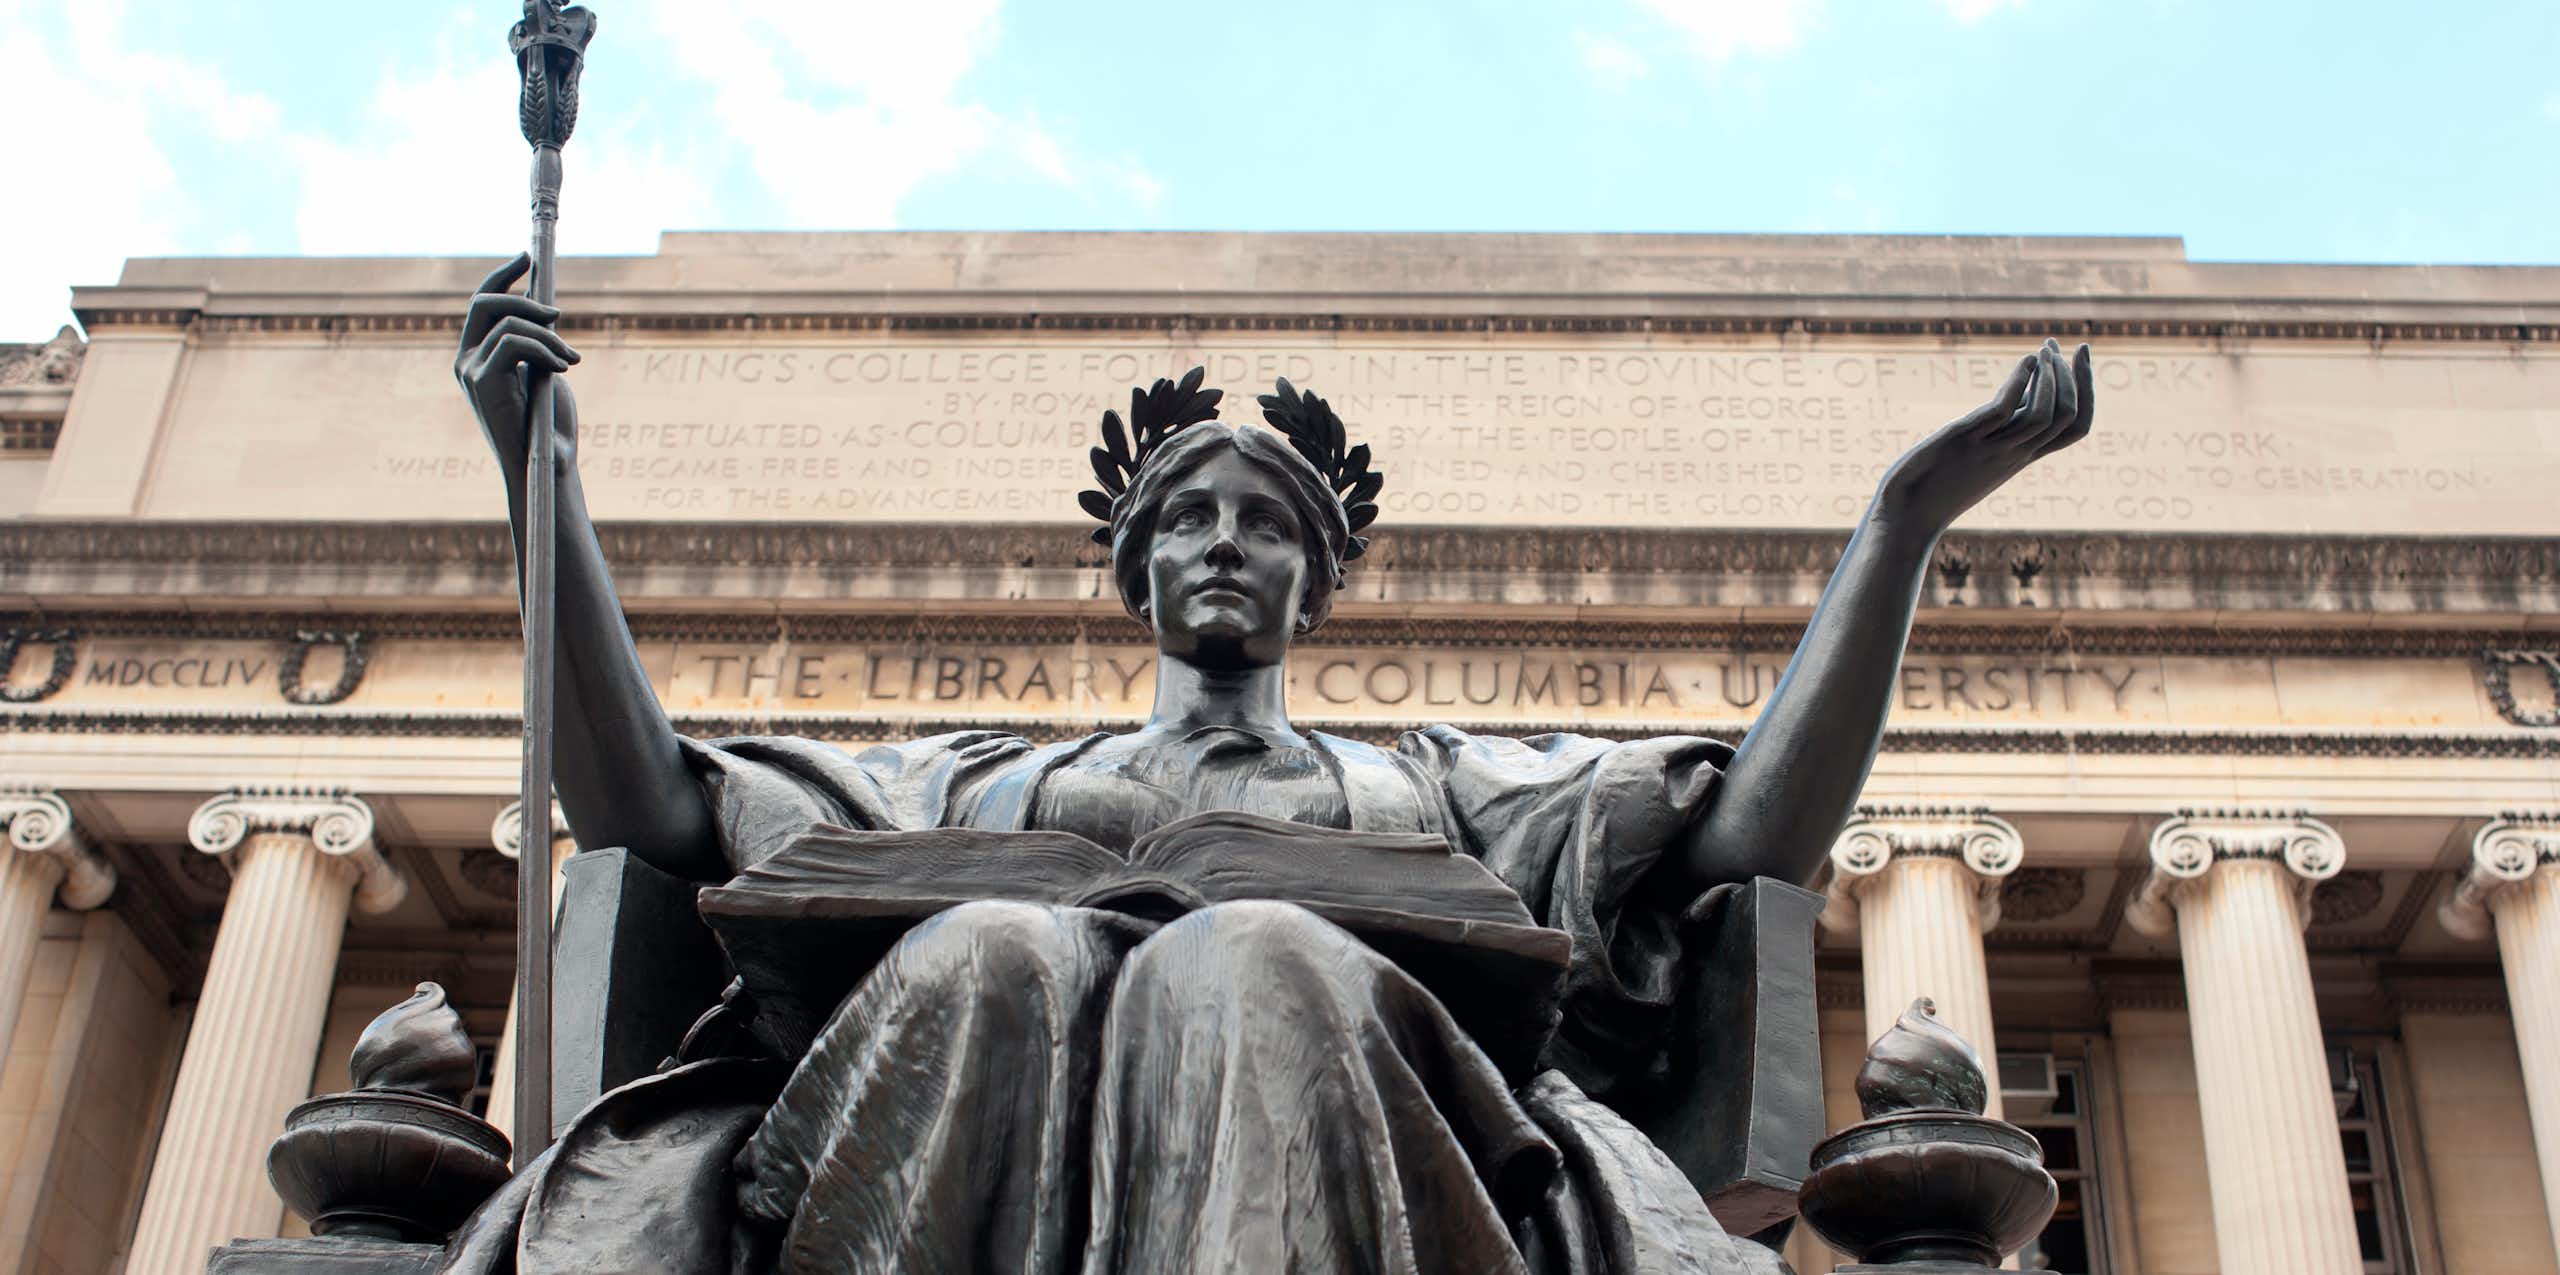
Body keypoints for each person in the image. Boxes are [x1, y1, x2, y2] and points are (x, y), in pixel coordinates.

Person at [444, 252, 2094, 1275]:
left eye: (1264, 525)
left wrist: (1899, 529)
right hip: (974, 1076)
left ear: (1318, 579)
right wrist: (543, 489)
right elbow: (652, 810)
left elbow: (1749, 835)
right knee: (994, 943)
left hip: (1361, 1143)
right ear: (1138, 566)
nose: (1224, 545)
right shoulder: (971, 786)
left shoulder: (1439, 792)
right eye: (1188, 520)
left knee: (1248, 959)